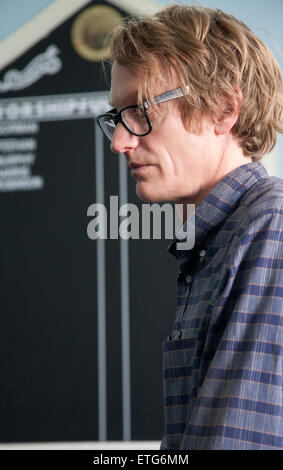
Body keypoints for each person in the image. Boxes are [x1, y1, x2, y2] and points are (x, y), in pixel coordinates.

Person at [97, 4, 283, 450]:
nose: (120, 142)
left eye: (140, 110)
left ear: (223, 108)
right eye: (116, 119)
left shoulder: (269, 230)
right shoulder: (223, 239)